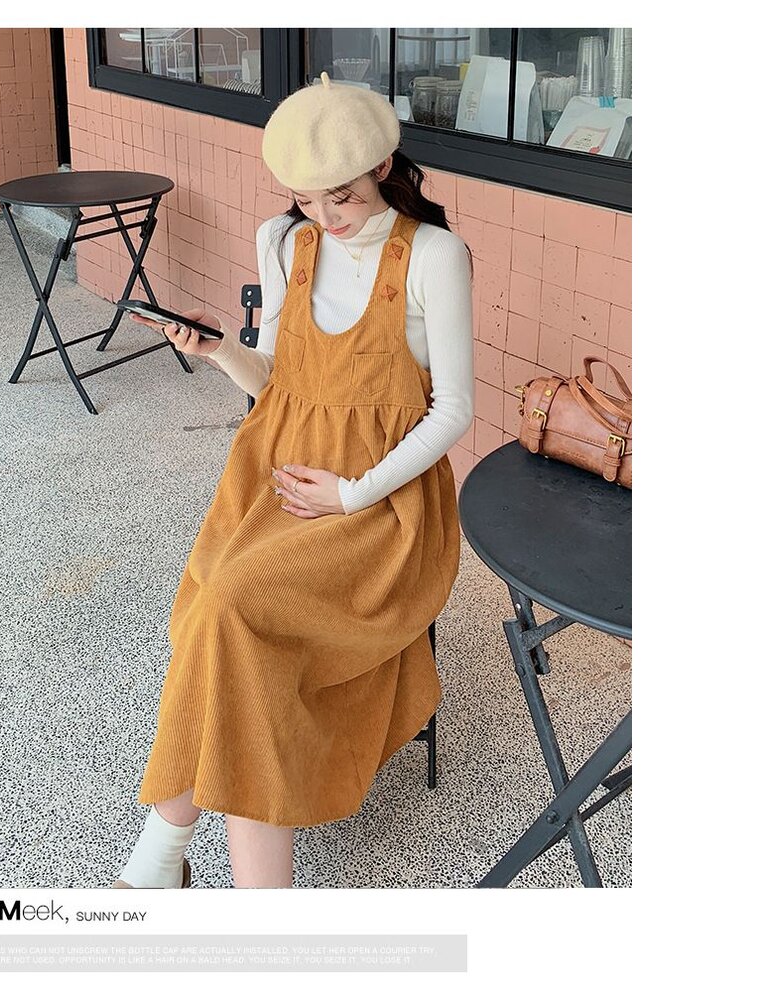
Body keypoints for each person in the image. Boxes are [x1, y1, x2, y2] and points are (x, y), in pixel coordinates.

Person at [115, 71, 474, 889]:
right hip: (278, 471)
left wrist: (351, 494)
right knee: (220, 611)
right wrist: (218, 351)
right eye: (306, 199)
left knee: (231, 608)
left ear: (382, 166)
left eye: (340, 196)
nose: (324, 216)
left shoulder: (433, 255)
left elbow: (454, 410)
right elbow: (276, 378)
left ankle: (159, 861)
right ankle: (202, 882)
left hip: (381, 501)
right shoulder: (283, 241)